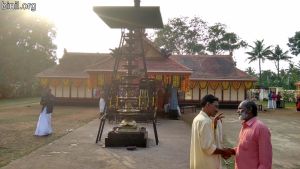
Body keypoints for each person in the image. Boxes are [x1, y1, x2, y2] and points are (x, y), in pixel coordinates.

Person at [190, 94, 231, 169]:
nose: (217, 110)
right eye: (215, 106)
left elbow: (206, 139)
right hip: (208, 164)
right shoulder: (205, 121)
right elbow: (208, 147)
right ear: (207, 104)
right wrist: (223, 152)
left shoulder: (198, 119)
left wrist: (214, 125)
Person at [230, 100, 272, 169]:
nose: (237, 111)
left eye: (240, 109)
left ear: (249, 110)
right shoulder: (245, 126)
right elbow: (248, 149)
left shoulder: (261, 128)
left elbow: (265, 163)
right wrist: (232, 151)